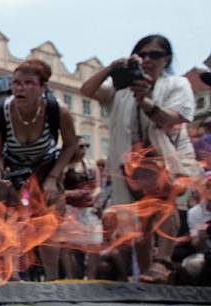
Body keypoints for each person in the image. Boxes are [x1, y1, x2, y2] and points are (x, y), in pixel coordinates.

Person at [81, 34, 199, 282]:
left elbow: (170, 119)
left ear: (166, 59)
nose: (147, 59)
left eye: (154, 54)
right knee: (140, 221)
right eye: (142, 54)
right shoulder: (120, 91)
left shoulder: (177, 84)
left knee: (167, 204)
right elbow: (87, 90)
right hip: (131, 165)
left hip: (169, 157)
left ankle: (163, 262)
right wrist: (113, 68)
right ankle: (147, 274)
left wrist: (144, 100)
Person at [0, 58, 78, 204]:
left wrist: (53, 178)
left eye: (28, 83)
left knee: (50, 218)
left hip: (47, 169)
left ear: (43, 87)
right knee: (11, 221)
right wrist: (0, 177)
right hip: (14, 170)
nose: (20, 88)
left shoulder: (58, 110)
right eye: (16, 82)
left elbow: (70, 145)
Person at [51, 137, 102, 279]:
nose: (84, 149)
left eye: (87, 146)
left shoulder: (91, 164)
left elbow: (98, 186)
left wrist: (95, 195)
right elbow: (57, 190)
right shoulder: (64, 166)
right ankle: (71, 277)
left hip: (88, 209)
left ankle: (91, 277)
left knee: (95, 243)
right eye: (81, 146)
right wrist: (74, 193)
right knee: (68, 245)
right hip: (70, 209)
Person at [180, 174, 211, 284]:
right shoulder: (194, 213)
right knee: (191, 264)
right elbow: (197, 245)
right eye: (208, 186)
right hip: (206, 253)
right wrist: (201, 235)